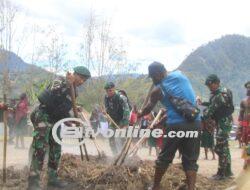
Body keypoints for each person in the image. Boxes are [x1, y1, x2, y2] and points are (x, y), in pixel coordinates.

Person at [137, 62, 201, 190]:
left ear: (158, 74)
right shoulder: (180, 75)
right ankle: (191, 188)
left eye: (153, 77)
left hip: (176, 125)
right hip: (195, 122)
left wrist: (140, 113)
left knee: (164, 157)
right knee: (190, 160)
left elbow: (148, 109)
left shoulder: (157, 90)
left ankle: (155, 187)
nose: (153, 80)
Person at [27, 66, 91, 190]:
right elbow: (52, 95)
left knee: (56, 148)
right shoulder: (60, 81)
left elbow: (63, 109)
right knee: (40, 148)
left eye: (85, 80)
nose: (82, 82)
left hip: (56, 120)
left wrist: (71, 120)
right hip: (44, 116)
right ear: (74, 74)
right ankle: (33, 182)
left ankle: (52, 179)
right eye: (81, 78)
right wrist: (67, 84)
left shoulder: (75, 92)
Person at [202, 74, 234, 180]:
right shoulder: (223, 92)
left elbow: (210, 111)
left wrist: (200, 113)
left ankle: (222, 173)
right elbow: (215, 105)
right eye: (208, 86)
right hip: (225, 121)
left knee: (220, 147)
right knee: (225, 147)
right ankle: (228, 172)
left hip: (223, 123)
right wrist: (203, 103)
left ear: (217, 82)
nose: (209, 87)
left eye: (210, 85)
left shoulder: (219, 95)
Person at [104, 82, 130, 156]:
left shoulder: (121, 97)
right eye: (107, 91)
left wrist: (125, 125)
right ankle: (115, 155)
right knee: (110, 136)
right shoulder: (106, 97)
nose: (108, 92)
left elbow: (126, 111)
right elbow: (107, 107)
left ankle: (124, 155)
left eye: (110, 90)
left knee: (122, 138)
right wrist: (105, 112)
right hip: (113, 120)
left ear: (114, 89)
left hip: (122, 120)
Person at [238, 81, 250, 145]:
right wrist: (240, 126)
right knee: (246, 142)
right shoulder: (243, 101)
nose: (249, 89)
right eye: (248, 88)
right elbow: (241, 115)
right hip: (246, 123)